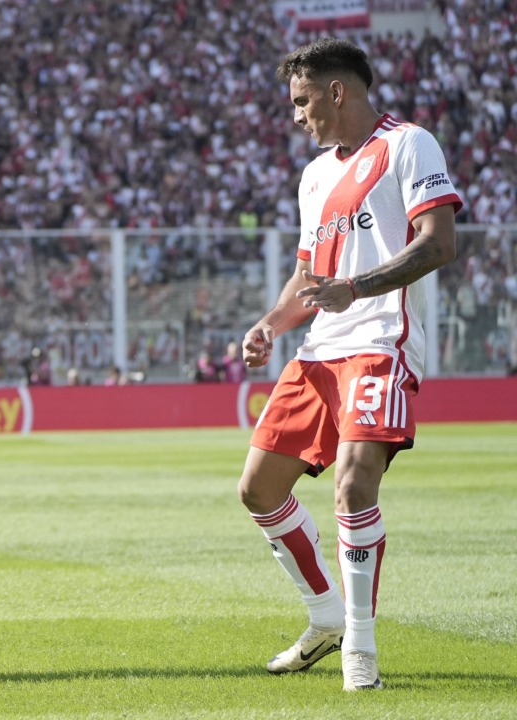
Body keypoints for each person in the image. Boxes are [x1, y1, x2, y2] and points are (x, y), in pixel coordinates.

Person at [237, 38, 460, 692]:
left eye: (303, 101)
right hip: (320, 351)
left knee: (355, 483)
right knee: (258, 489)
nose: (297, 115)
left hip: (381, 337)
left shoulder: (409, 145)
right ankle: (325, 614)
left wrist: (357, 290)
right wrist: (272, 324)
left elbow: (439, 242)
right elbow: (311, 273)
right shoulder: (314, 175)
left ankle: (360, 652)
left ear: (338, 92)